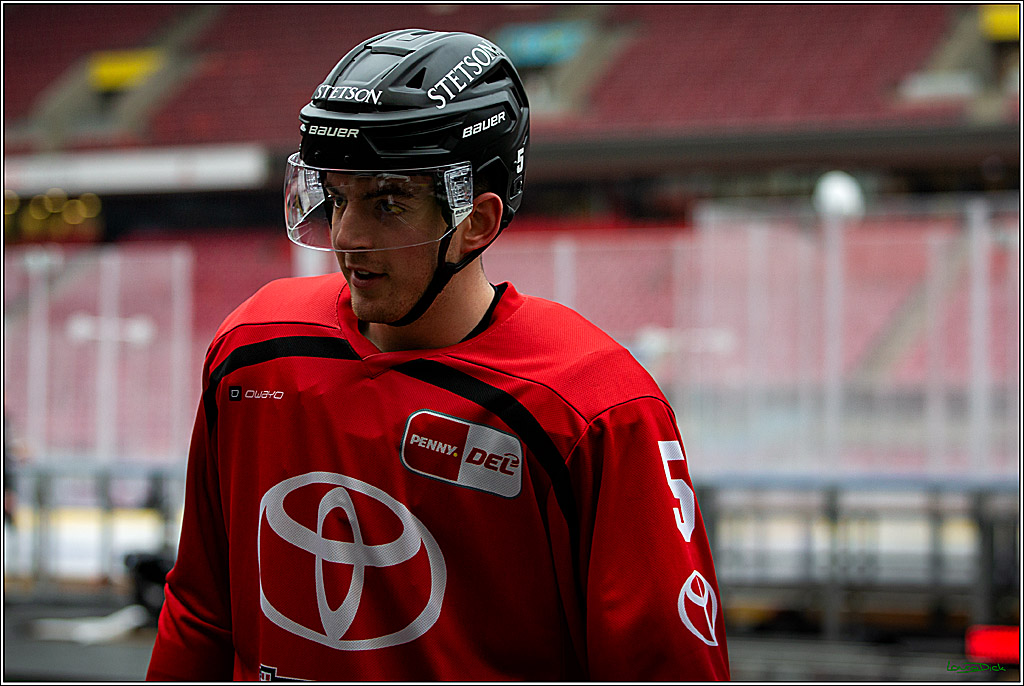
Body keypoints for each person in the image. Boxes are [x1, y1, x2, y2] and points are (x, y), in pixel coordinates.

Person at [147, 28, 729, 681]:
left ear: (476, 222)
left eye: (387, 203)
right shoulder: (255, 347)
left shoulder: (597, 410)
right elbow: (202, 612)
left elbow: (663, 667)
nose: (347, 237)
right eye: (337, 198)